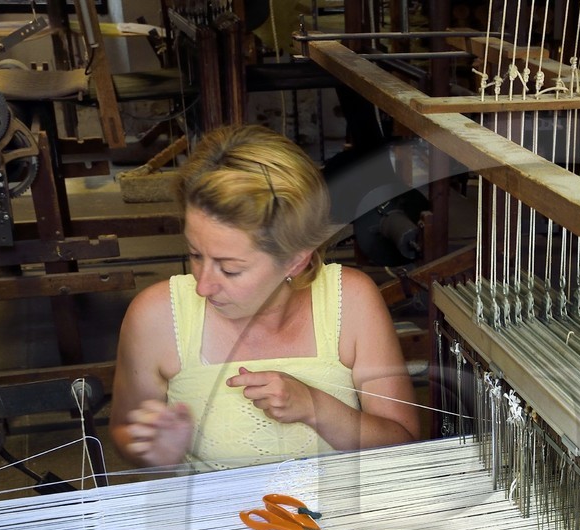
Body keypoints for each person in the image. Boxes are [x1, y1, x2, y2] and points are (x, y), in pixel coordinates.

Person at [111, 125, 420, 469]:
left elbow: (403, 443)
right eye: (196, 255)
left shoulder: (351, 301)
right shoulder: (157, 316)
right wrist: (153, 450)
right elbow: (124, 434)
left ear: (296, 259)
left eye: (230, 269)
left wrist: (317, 407)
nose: (202, 286)